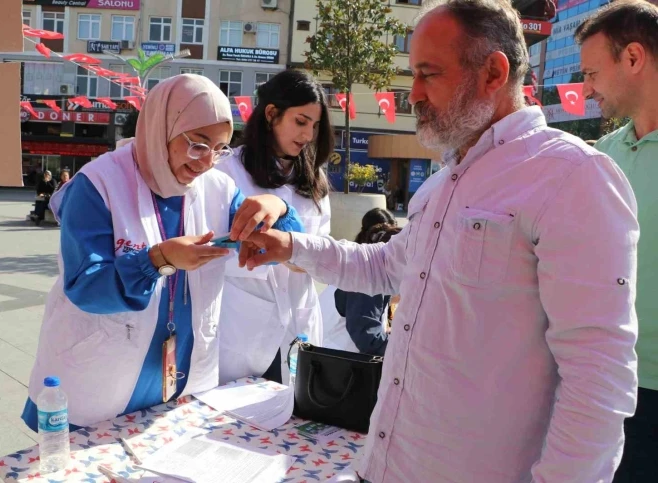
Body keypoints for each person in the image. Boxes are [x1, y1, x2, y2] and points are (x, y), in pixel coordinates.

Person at [238, 0, 639, 481]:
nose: (415, 94)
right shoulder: (446, 180)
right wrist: (291, 248)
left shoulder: (572, 177)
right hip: (387, 464)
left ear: (493, 72)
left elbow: (597, 376)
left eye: (429, 73)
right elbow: (385, 266)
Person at [21, 74, 303, 430]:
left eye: (220, 149)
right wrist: (159, 260)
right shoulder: (98, 185)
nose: (206, 162)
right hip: (99, 374)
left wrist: (277, 208)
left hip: (180, 376)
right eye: (198, 145)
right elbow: (86, 286)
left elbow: (288, 246)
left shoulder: (217, 188)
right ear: (163, 127)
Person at [576, 2, 658, 480]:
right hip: (603, 390)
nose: (586, 89)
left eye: (591, 72)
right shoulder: (600, 159)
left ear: (633, 58)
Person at [214, 69, 333, 384]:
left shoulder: (315, 181)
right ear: (271, 114)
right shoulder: (227, 172)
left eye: (315, 126)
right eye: (300, 121)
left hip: (298, 325)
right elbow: (214, 252)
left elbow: (319, 257)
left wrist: (292, 246)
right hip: (240, 327)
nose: (308, 135)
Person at [321, 208, 399, 354]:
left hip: (334, 358)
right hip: (335, 363)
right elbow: (369, 341)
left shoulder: (363, 266)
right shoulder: (367, 280)